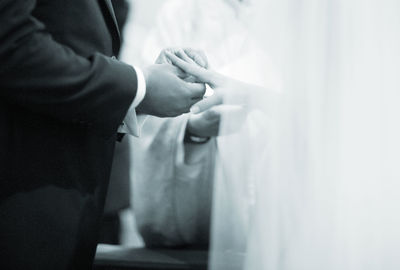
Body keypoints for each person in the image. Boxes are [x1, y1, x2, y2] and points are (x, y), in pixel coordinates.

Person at [0, 0, 207, 269]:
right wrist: (138, 88)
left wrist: (137, 83)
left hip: (62, 202)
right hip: (21, 199)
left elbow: (71, 37)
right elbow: (10, 43)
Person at [126, 0, 278, 248]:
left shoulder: (305, 14)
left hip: (282, 205)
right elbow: (148, 111)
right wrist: (191, 130)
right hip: (201, 217)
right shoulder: (182, 12)